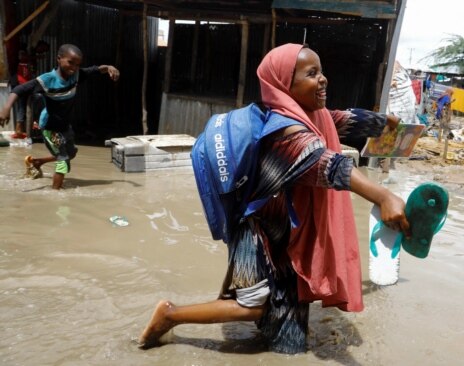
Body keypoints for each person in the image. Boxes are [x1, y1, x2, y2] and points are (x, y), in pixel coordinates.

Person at [138, 43, 410, 354]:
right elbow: (329, 166)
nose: (322, 79)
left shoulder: (310, 115)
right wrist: (384, 195)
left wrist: (382, 122)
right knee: (253, 305)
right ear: (285, 85)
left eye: (321, 71)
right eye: (311, 74)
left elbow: (343, 119)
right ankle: (170, 315)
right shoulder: (285, 134)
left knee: (290, 337)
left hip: (284, 234)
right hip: (254, 233)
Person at [0, 44, 119, 189]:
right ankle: (56, 196)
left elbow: (95, 70)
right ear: (59, 59)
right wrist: (6, 108)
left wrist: (109, 67)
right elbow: (20, 89)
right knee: (63, 162)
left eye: (77, 64)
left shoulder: (76, 75)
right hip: (50, 127)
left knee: (71, 154)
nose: (74, 67)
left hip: (64, 126)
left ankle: (37, 162)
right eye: (70, 62)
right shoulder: (48, 79)